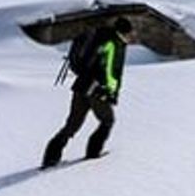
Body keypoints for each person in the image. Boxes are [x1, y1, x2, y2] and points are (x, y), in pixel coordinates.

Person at [41, 17, 135, 168]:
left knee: (72, 125)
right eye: (130, 32)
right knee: (107, 120)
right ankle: (93, 153)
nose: (132, 35)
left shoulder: (101, 37)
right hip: (97, 90)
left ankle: (50, 159)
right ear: (124, 31)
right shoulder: (113, 43)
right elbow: (110, 69)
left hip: (82, 86)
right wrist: (109, 90)